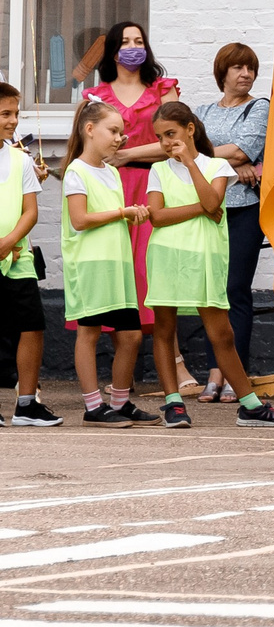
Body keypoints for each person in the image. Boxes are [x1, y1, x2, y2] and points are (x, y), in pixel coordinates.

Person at [142, 101, 274, 427]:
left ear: (190, 129)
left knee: (221, 333)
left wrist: (190, 164)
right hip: (166, 257)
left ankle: (249, 404)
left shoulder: (217, 167)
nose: (166, 142)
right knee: (164, 331)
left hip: (204, 259)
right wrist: (203, 210)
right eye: (160, 136)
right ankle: (173, 403)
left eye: (171, 133)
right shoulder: (158, 170)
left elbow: (212, 201)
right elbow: (158, 217)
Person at [80, 21, 188, 391]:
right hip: (107, 189)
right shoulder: (95, 95)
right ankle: (121, 374)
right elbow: (86, 145)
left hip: (153, 184)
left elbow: (176, 140)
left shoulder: (163, 88)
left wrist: (127, 154)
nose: (132, 47)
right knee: (118, 272)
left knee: (154, 272)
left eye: (139, 41)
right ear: (112, 50)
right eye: (125, 42)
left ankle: (175, 365)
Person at [60, 99, 148, 424]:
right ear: (90, 129)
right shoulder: (75, 171)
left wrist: (129, 216)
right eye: (113, 131)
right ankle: (93, 406)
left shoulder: (111, 172)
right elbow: (80, 219)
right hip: (91, 266)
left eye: (121, 133)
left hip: (117, 266)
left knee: (130, 335)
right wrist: (123, 212)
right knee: (90, 331)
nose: (118, 139)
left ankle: (121, 401)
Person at [195, 42, 270, 400]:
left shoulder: (259, 107)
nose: (246, 74)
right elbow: (183, 152)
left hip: (244, 209)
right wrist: (231, 164)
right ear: (222, 72)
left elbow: (242, 149)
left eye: (251, 68)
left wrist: (232, 159)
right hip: (207, 208)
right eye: (238, 68)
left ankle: (233, 372)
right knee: (211, 291)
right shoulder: (203, 111)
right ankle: (215, 370)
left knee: (234, 288)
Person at [0, 85, 56, 426]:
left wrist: (8, 242)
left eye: (16, 114)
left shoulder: (20, 160)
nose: (13, 121)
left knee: (32, 326)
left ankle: (26, 404)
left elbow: (30, 212)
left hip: (18, 256)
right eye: (6, 114)